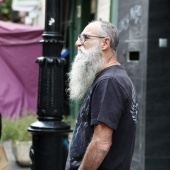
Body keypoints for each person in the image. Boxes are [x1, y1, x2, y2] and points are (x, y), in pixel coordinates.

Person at [65, 20, 138, 170]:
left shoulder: (110, 81)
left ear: (105, 43)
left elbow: (101, 144)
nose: (78, 43)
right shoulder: (111, 78)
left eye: (85, 38)